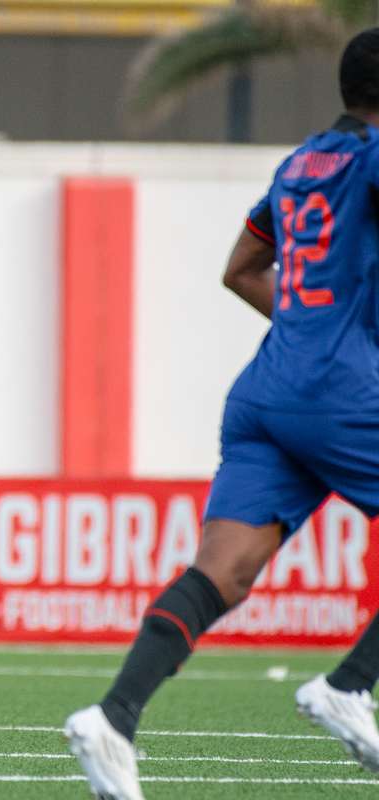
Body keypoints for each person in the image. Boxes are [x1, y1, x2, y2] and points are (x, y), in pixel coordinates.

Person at [66, 29, 379, 799]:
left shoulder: (299, 162)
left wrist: (309, 330)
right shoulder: (371, 159)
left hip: (265, 394)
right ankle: (349, 685)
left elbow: (242, 268)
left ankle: (114, 718)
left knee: (223, 572)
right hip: (337, 390)